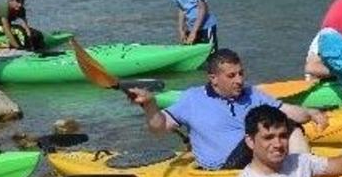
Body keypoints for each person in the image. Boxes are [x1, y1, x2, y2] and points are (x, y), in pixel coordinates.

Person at [126, 48, 327, 170]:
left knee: (286, 123)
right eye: (231, 76)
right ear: (213, 78)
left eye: (241, 73)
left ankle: (303, 167)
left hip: (251, 159)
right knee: (286, 126)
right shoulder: (192, 99)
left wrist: (310, 112)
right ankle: (305, 171)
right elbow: (159, 129)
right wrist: (150, 105)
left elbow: (288, 110)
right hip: (225, 167)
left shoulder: (251, 94)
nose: (239, 80)